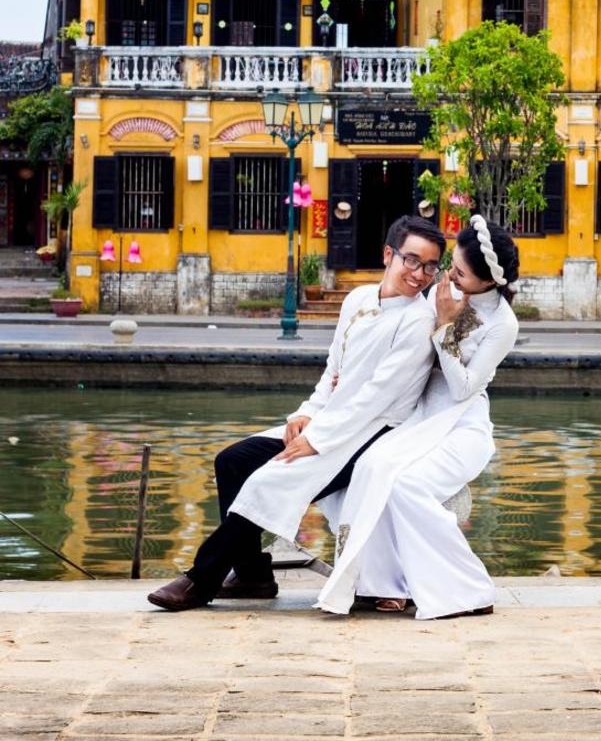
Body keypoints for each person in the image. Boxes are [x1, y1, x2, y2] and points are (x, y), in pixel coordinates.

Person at [147, 217, 445, 612]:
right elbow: (333, 369)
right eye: (412, 260)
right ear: (388, 254)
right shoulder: (358, 300)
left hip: (374, 432)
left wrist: (317, 441)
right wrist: (305, 414)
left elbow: (375, 397)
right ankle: (254, 574)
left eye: (430, 266)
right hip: (334, 419)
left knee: (270, 478)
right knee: (233, 461)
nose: (419, 274)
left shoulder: (418, 321)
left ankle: (202, 579)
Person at [315, 214, 521, 620]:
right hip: (417, 413)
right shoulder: (440, 292)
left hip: (460, 424)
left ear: (488, 282)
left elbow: (463, 387)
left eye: (460, 273)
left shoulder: (502, 323)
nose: (448, 276)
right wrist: (354, 373)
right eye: (452, 266)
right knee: (366, 468)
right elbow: (406, 348)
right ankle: (383, 585)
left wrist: (446, 325)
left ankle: (465, 586)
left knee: (405, 485)